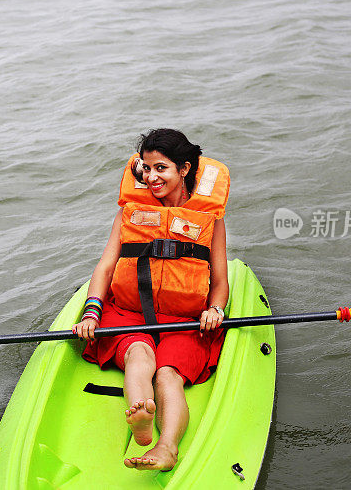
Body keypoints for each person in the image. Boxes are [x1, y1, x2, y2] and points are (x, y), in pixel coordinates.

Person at [72, 128, 230, 471]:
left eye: (161, 168)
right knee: (138, 356)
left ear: (184, 169)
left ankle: (166, 447)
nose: (150, 176)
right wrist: (91, 313)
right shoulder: (130, 212)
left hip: (186, 321)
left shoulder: (210, 220)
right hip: (129, 313)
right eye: (145, 168)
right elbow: (105, 267)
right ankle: (142, 417)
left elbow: (220, 282)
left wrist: (215, 310)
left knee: (168, 374)